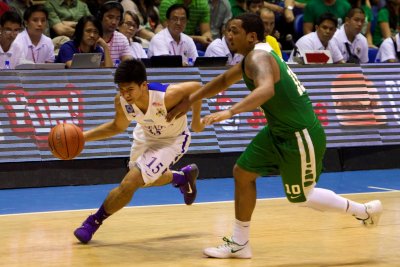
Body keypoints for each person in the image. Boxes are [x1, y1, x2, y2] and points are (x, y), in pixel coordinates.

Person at [166, 12, 383, 259]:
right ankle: (239, 243)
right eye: (227, 30)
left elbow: (266, 90)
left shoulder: (258, 57)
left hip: (299, 134)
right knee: (243, 173)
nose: (229, 35)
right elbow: (224, 80)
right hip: (278, 129)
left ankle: (364, 210)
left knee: (303, 197)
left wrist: (229, 111)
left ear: (251, 36)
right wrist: (190, 100)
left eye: (234, 30)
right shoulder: (252, 56)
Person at [73, 58, 205, 244]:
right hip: (145, 136)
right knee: (140, 182)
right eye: (121, 89)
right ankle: (181, 177)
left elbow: (197, 87)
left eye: (130, 90)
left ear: (143, 85)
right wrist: (83, 137)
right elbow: (116, 127)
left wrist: (196, 121)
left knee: (131, 182)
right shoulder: (122, 102)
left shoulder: (166, 96)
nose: (125, 95)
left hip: (171, 141)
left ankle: (92, 222)